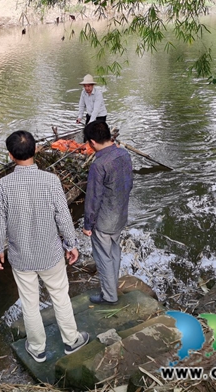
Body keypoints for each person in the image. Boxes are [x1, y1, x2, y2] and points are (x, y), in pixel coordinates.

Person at [0, 130, 90, 363]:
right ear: (35, 150)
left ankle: (37, 349)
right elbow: (63, 217)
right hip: (51, 254)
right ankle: (71, 341)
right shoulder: (51, 181)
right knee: (60, 296)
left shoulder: (3, 185)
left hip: (21, 256)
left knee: (30, 303)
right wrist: (71, 243)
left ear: (10, 156)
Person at [82, 121, 133, 305]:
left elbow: (93, 199)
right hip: (120, 214)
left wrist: (88, 224)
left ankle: (109, 296)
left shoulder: (99, 164)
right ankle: (112, 288)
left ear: (93, 142)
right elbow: (129, 184)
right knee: (114, 252)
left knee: (103, 257)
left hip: (104, 220)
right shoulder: (124, 154)